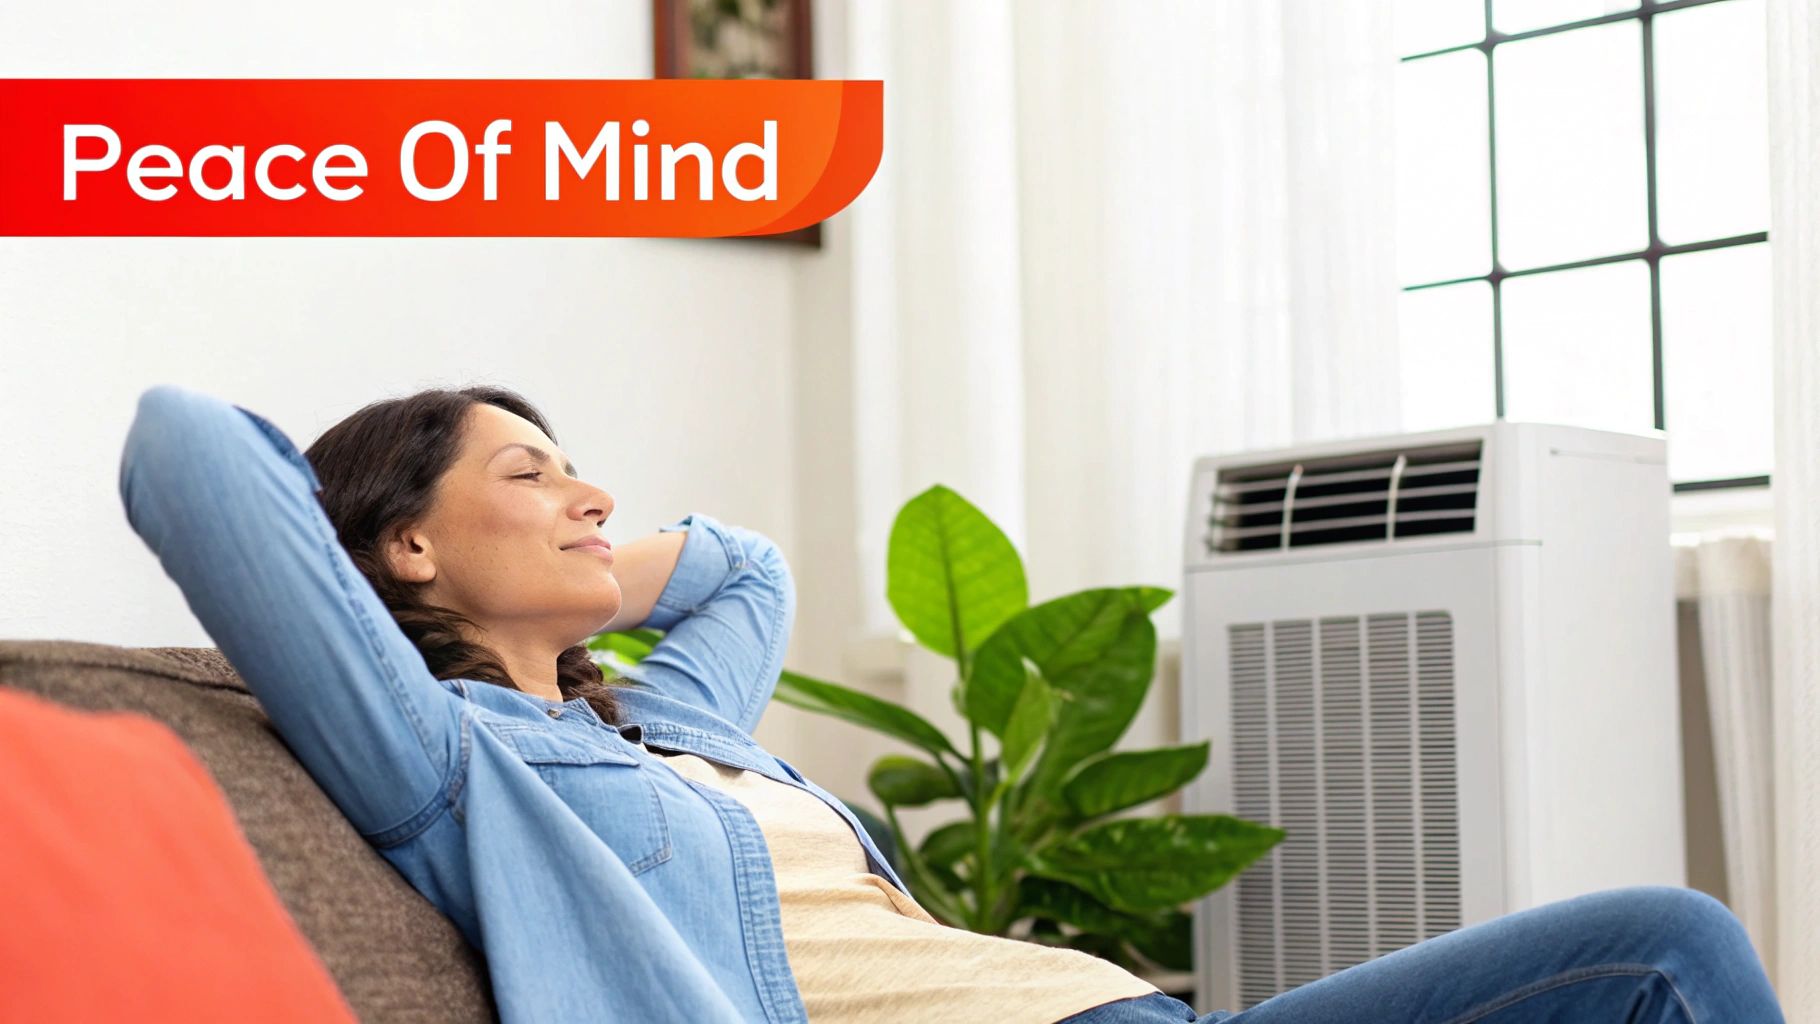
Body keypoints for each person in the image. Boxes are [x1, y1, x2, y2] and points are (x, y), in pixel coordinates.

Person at [119, 384, 1787, 1024]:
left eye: (586, 476)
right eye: (534, 475)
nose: (593, 500)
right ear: (403, 542)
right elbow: (189, 454)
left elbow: (746, 572)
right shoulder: (452, 761)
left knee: (1662, 950)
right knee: (1658, 959)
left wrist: (562, 575)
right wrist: (491, 599)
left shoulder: (670, 727)